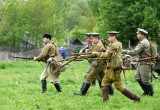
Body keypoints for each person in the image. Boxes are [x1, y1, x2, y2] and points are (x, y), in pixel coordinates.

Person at [92, 31, 140, 102]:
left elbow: (106, 55)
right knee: (104, 83)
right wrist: (105, 50)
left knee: (118, 85)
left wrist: (96, 53)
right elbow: (112, 53)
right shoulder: (118, 43)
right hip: (111, 67)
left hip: (114, 67)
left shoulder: (113, 45)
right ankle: (105, 101)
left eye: (109, 36)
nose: (108, 38)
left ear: (113, 37)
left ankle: (136, 98)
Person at [122, 28, 154, 96]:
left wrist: (124, 51)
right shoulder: (143, 41)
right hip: (141, 62)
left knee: (145, 80)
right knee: (138, 78)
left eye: (138, 34)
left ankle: (150, 94)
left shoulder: (143, 42)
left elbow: (135, 52)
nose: (137, 35)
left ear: (142, 35)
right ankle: (146, 91)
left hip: (145, 63)